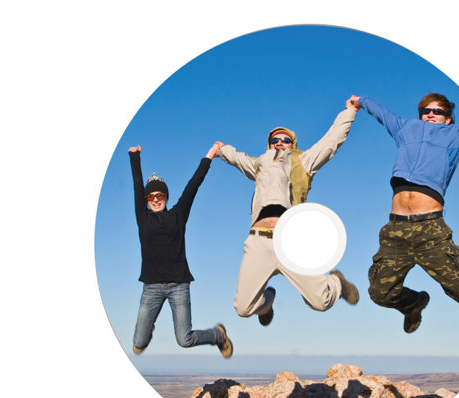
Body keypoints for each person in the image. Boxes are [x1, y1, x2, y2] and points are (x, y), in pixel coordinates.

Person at [348, 93, 459, 334]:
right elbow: (383, 114)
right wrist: (361, 101)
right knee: (380, 293)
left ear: (448, 118)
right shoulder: (405, 128)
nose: (430, 114)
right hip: (396, 230)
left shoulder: (458, 135)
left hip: (430, 231)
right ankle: (413, 304)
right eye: (425, 111)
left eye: (437, 111)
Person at [209, 100, 360, 326]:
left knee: (320, 302)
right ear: (269, 145)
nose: (279, 143)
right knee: (243, 308)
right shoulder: (260, 165)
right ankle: (267, 302)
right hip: (259, 240)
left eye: (285, 140)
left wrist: (350, 111)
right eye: (274, 140)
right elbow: (238, 158)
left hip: (290, 241)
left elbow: (331, 141)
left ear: (292, 144)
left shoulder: (304, 162)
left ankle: (337, 282)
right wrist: (222, 150)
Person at [128, 144, 233, 357]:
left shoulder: (178, 214)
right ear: (146, 200)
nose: (155, 199)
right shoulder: (143, 217)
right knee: (138, 343)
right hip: (151, 286)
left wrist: (210, 155)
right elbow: (137, 185)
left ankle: (218, 335)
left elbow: (194, 184)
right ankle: (147, 327)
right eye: (150, 197)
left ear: (166, 197)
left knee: (185, 340)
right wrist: (134, 157)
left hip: (179, 285)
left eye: (160, 195)